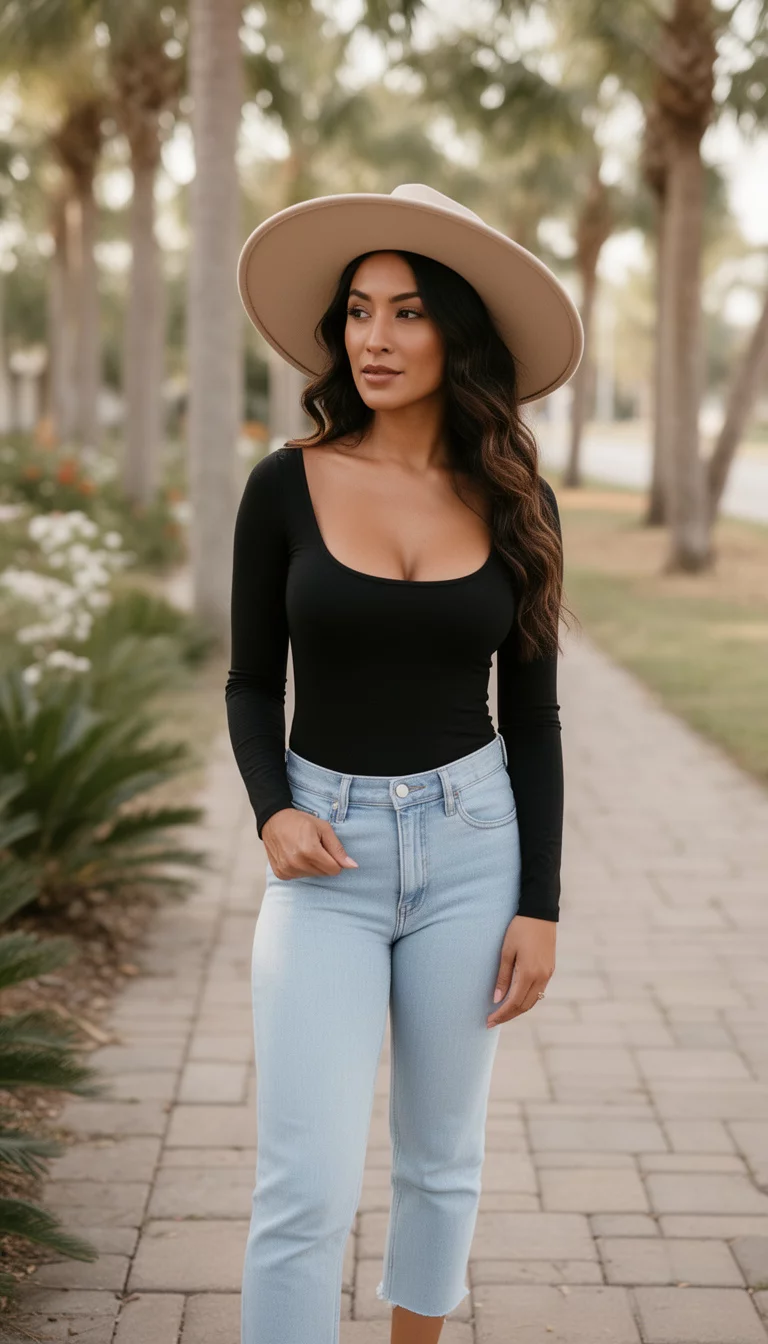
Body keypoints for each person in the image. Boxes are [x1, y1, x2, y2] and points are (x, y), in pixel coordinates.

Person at [226, 183, 583, 1344]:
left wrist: (541, 905)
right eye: (358, 312)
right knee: (305, 1187)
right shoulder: (285, 483)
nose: (373, 339)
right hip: (322, 856)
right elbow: (247, 682)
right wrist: (272, 812)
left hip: (475, 849)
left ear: (457, 334)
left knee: (441, 1163)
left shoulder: (519, 500)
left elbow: (534, 719)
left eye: (408, 312)